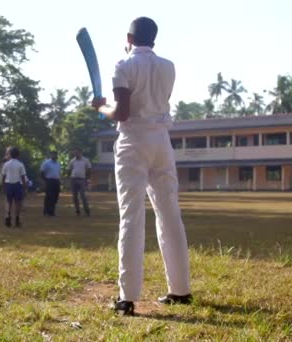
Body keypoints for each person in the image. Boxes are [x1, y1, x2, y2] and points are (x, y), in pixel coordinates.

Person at [92, 17, 192, 316]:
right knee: (170, 213)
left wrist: (100, 106)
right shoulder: (168, 66)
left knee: (131, 216)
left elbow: (121, 113)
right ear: (154, 39)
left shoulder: (123, 65)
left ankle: (127, 296)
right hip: (161, 142)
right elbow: (159, 102)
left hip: (133, 142)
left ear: (129, 38)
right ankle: (180, 289)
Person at [1, 147, 27, 228]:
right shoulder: (20, 164)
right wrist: (24, 188)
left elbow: (3, 177)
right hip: (17, 185)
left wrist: (2, 186)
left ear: (10, 154)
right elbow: (23, 177)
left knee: (8, 202)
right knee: (17, 203)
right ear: (18, 155)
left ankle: (7, 218)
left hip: (8, 184)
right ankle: (17, 220)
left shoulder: (6, 164)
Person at [68, 148, 92, 216]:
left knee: (83, 196)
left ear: (81, 152)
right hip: (74, 179)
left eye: (77, 152)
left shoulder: (86, 160)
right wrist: (71, 177)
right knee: (74, 196)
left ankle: (87, 211)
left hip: (82, 179)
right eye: (75, 153)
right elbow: (69, 169)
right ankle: (77, 211)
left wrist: (87, 179)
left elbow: (89, 169)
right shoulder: (72, 161)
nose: (76, 154)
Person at [40, 151, 61, 216]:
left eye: (55, 154)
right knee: (49, 196)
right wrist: (46, 180)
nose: (54, 156)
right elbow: (42, 172)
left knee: (55, 196)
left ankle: (48, 210)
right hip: (49, 181)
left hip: (56, 181)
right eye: (53, 154)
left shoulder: (58, 164)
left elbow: (58, 173)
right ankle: (50, 211)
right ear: (51, 155)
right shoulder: (46, 163)